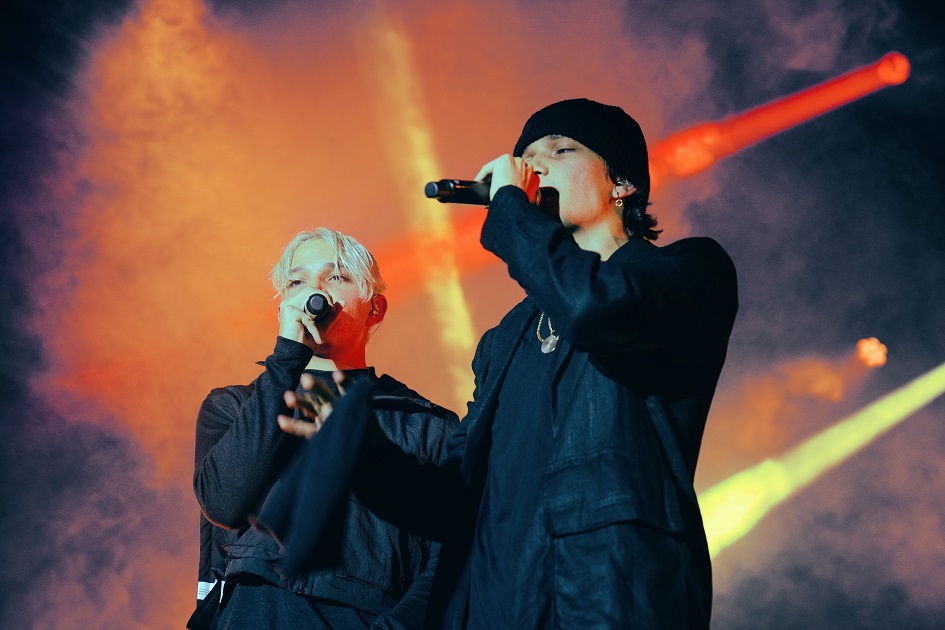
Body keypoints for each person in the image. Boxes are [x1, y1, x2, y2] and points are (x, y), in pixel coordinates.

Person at [282, 98, 738, 628]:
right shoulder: (506, 338)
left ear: (623, 183)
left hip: (609, 596)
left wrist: (510, 211)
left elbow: (596, 309)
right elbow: (453, 500)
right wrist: (360, 450)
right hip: (497, 607)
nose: (533, 165)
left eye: (560, 150)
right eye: (526, 156)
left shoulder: (687, 271)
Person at [190, 228, 458, 630]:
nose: (314, 291)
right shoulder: (234, 407)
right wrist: (286, 360)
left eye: (336, 276)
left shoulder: (427, 427)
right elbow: (225, 504)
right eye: (297, 282)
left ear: (375, 308)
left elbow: (450, 559)